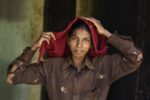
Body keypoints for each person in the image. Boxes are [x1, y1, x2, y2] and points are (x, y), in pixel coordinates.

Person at [7, 17, 143, 100]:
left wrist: (106, 34)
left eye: (85, 40)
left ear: (91, 45)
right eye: (75, 39)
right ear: (67, 41)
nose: (79, 45)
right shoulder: (51, 67)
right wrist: (34, 46)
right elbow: (12, 77)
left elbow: (135, 57)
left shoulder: (104, 66)